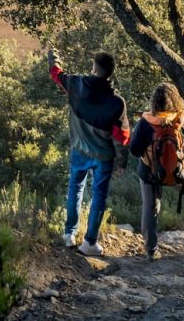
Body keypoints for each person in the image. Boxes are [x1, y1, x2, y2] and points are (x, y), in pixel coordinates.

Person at [50, 50, 128, 258]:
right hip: (103, 157)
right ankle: (89, 243)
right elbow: (121, 137)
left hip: (79, 150)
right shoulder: (117, 103)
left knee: (75, 189)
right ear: (110, 73)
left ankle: (69, 234)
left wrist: (53, 56)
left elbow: (56, 73)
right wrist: (122, 162)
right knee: (99, 196)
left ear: (94, 68)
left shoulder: (76, 84)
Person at [128, 82, 184, 260]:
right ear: (175, 101)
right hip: (178, 172)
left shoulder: (144, 123)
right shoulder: (181, 121)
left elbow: (133, 150)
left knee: (150, 208)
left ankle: (151, 251)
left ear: (153, 102)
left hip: (150, 173)